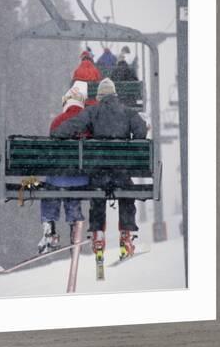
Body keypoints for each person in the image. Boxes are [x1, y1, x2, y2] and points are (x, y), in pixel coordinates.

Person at [50, 78, 148, 259]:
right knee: (127, 196)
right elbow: (141, 130)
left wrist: (57, 133)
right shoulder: (128, 112)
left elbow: (72, 126)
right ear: (115, 94)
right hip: (121, 172)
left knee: (97, 195)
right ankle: (126, 233)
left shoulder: (92, 112)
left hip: (99, 172)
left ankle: (97, 234)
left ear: (100, 96)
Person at [38, 87, 89, 254]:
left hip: (58, 178)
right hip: (82, 179)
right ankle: (75, 226)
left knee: (52, 189)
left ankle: (49, 227)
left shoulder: (57, 121)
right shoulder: (88, 121)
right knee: (73, 191)